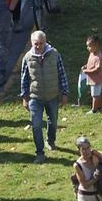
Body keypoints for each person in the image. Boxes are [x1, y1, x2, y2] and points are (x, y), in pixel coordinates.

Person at [19, 28, 68, 159]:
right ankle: (39, 152)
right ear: (32, 43)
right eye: (36, 43)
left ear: (45, 42)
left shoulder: (54, 54)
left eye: (41, 43)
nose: (38, 46)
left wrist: (64, 93)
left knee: (53, 122)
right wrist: (24, 97)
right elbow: (24, 78)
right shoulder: (27, 58)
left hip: (52, 96)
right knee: (36, 125)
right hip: (35, 97)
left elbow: (62, 73)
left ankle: (50, 141)